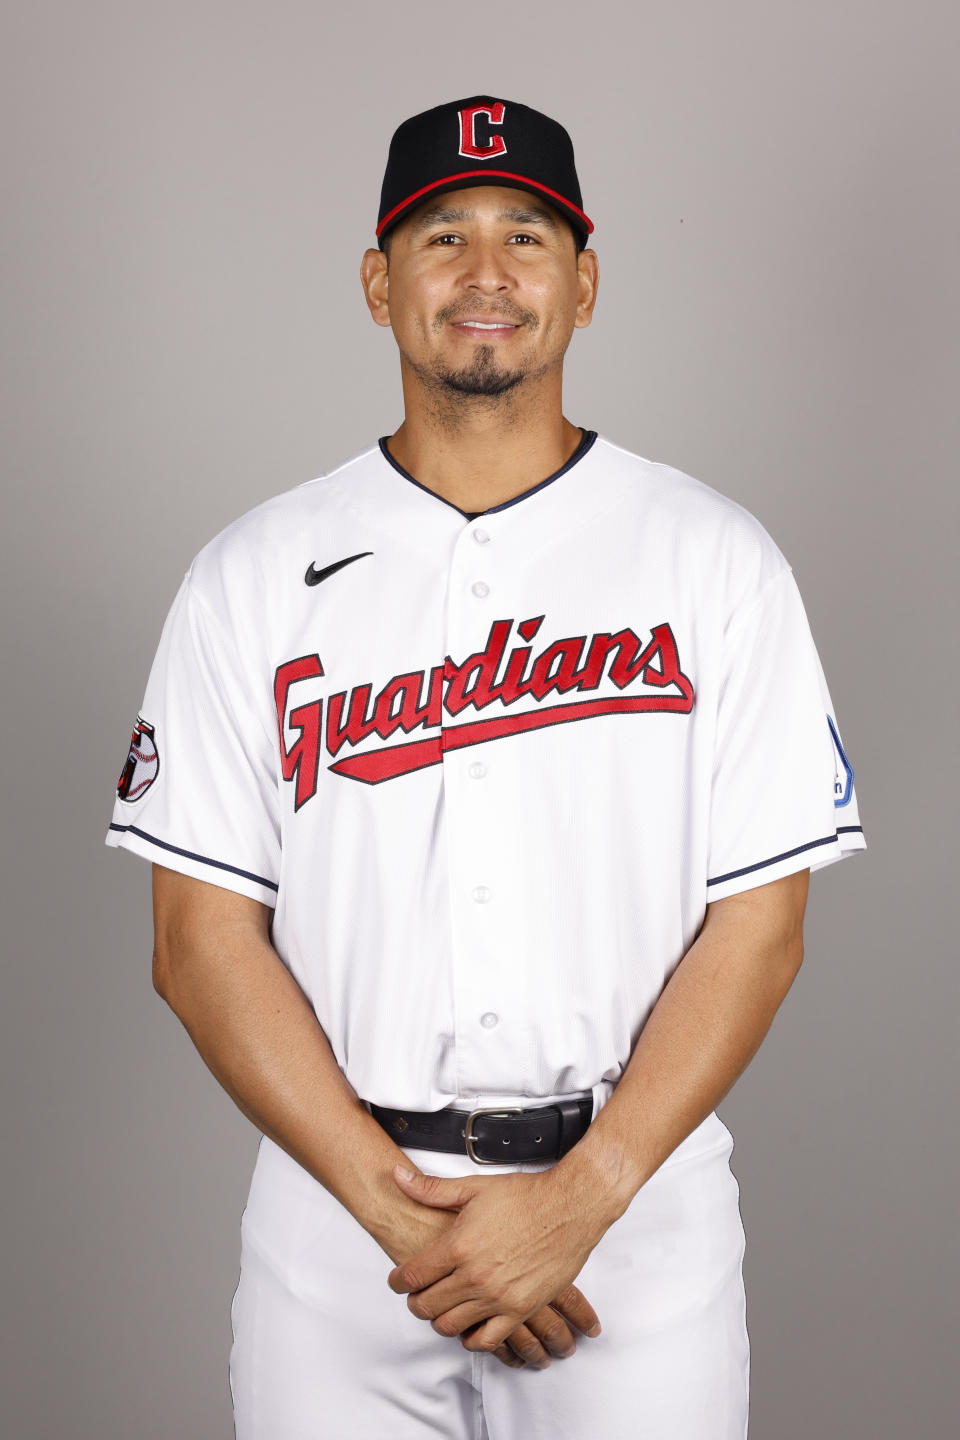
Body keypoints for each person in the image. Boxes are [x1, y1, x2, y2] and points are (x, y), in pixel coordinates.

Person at [106, 95, 866, 1439]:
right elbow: (197, 940)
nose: (485, 272)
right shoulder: (251, 575)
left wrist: (578, 1203)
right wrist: (408, 1220)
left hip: (636, 1217)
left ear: (583, 281)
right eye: (440, 234)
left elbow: (764, 923)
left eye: (527, 234)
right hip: (340, 1227)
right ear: (377, 281)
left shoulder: (712, 558)